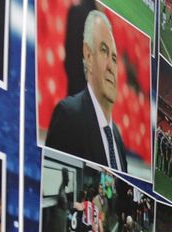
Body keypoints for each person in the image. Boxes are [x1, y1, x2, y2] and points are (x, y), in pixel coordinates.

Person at [46, 11, 129, 170]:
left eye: (114, 58)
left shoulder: (117, 137)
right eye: (104, 51)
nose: (111, 67)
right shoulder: (68, 116)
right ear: (88, 56)